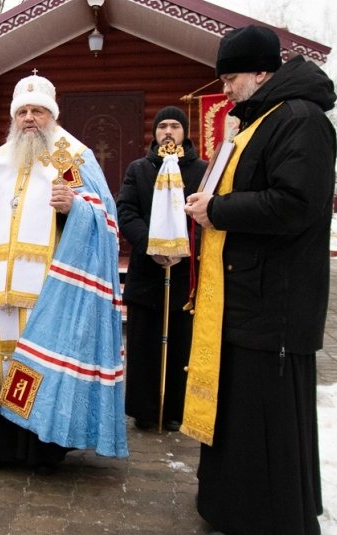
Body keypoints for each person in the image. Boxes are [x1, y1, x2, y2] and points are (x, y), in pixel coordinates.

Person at [182, 25, 336, 535]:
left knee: (267, 421)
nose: (224, 90)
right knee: (241, 417)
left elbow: (296, 205)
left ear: (262, 73)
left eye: (230, 78)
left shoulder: (299, 119)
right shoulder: (261, 121)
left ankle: (271, 518)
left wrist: (217, 209)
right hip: (242, 297)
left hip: (275, 305)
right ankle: (232, 506)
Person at [0, 74, 127, 475]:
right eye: (23, 111)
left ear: (51, 115)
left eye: (38, 111)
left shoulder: (69, 156)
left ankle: (40, 450)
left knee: (38, 365)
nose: (29, 118)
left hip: (49, 289)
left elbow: (105, 220)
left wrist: (73, 209)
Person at [116, 106, 207, 431]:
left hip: (185, 273)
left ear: (185, 132)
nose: (168, 131)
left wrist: (183, 250)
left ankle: (176, 409)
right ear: (154, 133)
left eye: (175, 126)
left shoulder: (202, 170)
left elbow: (206, 217)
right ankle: (145, 408)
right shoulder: (139, 169)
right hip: (147, 272)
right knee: (145, 343)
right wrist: (152, 245)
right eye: (163, 126)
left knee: (181, 341)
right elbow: (126, 211)